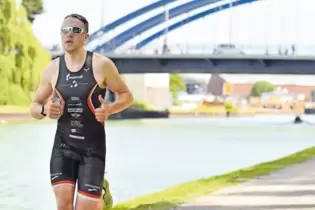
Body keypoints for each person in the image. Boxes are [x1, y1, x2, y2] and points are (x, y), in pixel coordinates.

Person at [29, 13, 133, 210]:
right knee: (64, 205)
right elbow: (33, 107)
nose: (69, 34)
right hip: (63, 147)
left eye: (76, 30)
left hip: (92, 150)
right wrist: (44, 110)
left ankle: (101, 194)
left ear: (86, 37)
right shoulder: (52, 69)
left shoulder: (102, 64)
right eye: (65, 30)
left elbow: (126, 95)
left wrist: (110, 109)